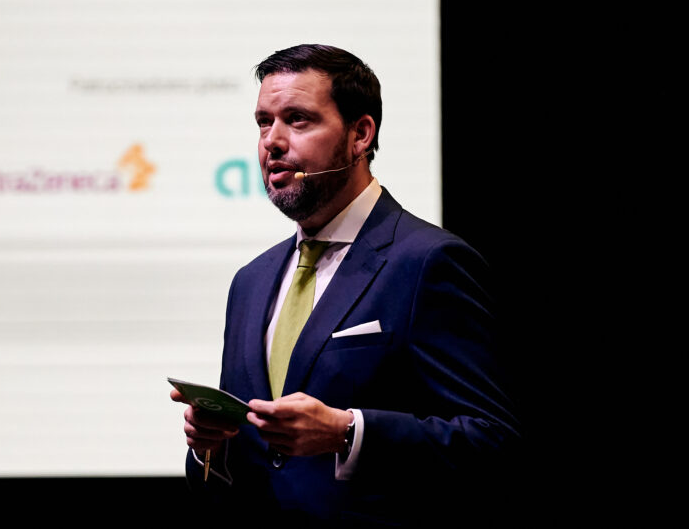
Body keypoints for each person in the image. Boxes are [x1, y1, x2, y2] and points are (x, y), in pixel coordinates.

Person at [170, 44, 520, 525]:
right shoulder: (250, 281)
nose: (272, 142)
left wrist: (348, 433)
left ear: (360, 134)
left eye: (297, 120)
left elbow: (493, 441)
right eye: (263, 122)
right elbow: (248, 473)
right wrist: (212, 446)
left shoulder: (428, 262)